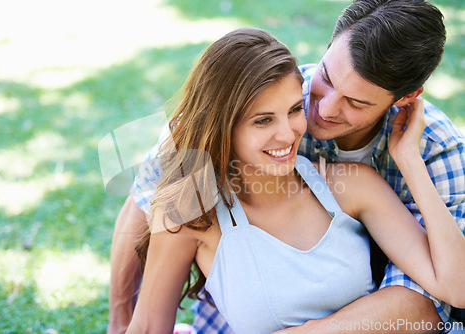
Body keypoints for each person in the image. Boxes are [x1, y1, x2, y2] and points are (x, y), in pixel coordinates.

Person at [107, 1, 465, 333]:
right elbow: (143, 201)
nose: (317, 114)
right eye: (263, 120)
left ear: (404, 99)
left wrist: (408, 159)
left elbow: (451, 291)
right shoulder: (274, 91)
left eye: (355, 102)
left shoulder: (403, 160)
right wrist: (118, 321)